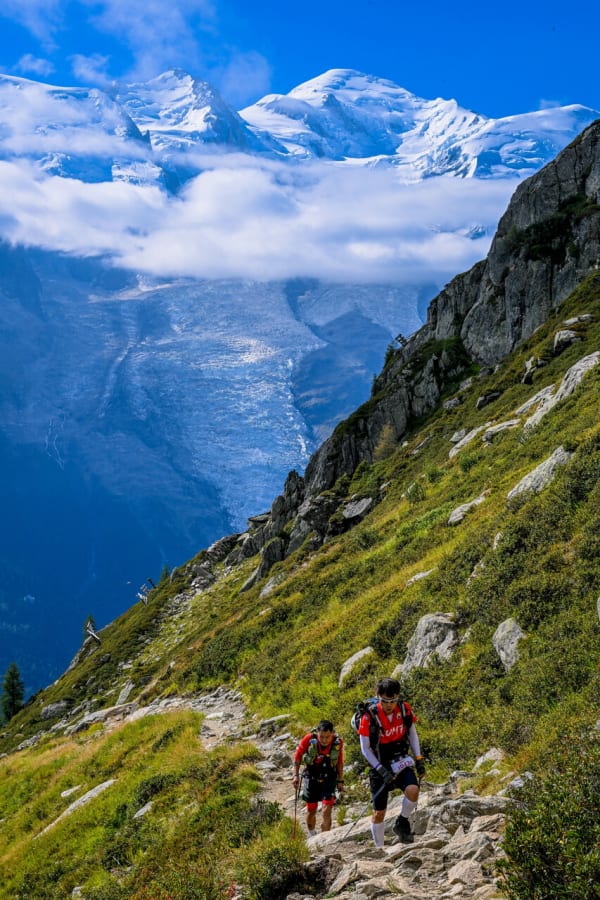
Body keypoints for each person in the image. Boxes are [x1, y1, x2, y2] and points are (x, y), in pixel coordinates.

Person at [357, 677, 425, 848]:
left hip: (400, 758)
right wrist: (381, 770)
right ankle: (379, 848)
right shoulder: (369, 716)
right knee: (379, 812)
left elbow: (412, 734)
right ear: (377, 696)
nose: (389, 705)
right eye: (385, 701)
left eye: (393, 700)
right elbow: (365, 748)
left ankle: (402, 822)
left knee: (413, 790)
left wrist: (418, 759)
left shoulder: (404, 709)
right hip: (378, 763)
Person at [292, 719, 344, 836]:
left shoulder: (337, 742)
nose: (324, 740)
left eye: (327, 737)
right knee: (311, 810)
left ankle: (325, 838)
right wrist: (295, 775)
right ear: (317, 733)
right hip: (311, 778)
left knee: (327, 810)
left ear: (332, 733)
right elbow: (298, 756)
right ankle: (312, 834)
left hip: (329, 778)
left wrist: (340, 780)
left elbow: (339, 762)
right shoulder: (309, 739)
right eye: (322, 737)